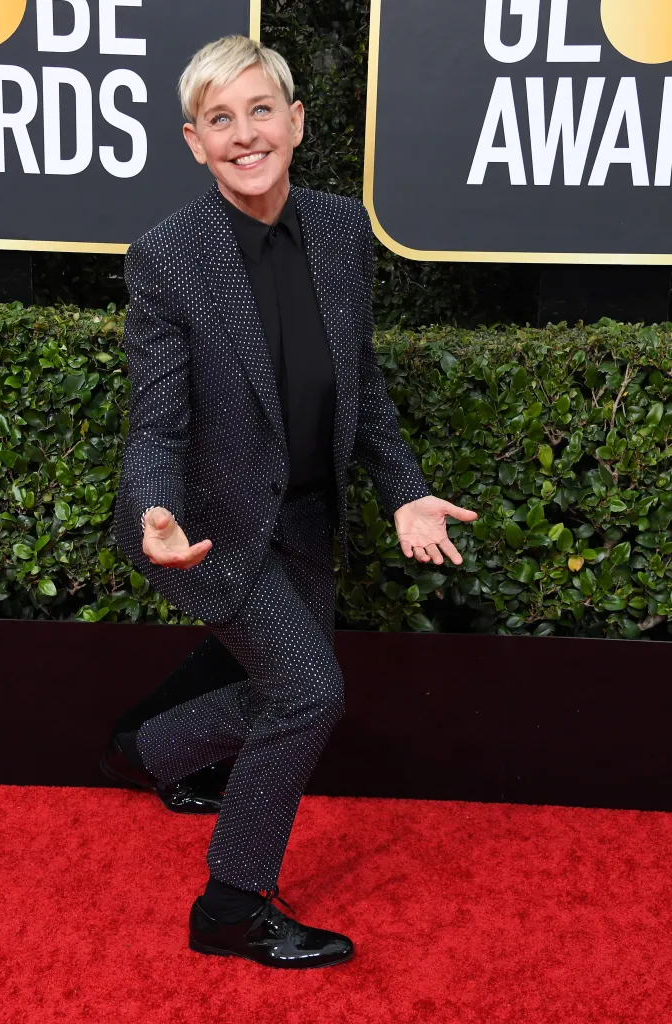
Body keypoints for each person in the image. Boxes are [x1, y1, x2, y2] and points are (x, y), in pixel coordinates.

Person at [112, 34, 477, 969]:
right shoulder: (167, 257)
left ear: (296, 121)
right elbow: (155, 423)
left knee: (287, 690)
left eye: (259, 110)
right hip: (212, 527)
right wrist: (155, 510)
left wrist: (406, 491)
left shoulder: (340, 227)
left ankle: (151, 746)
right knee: (309, 693)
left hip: (311, 515)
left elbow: (358, 379)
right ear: (194, 142)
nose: (244, 135)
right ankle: (229, 910)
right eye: (219, 121)